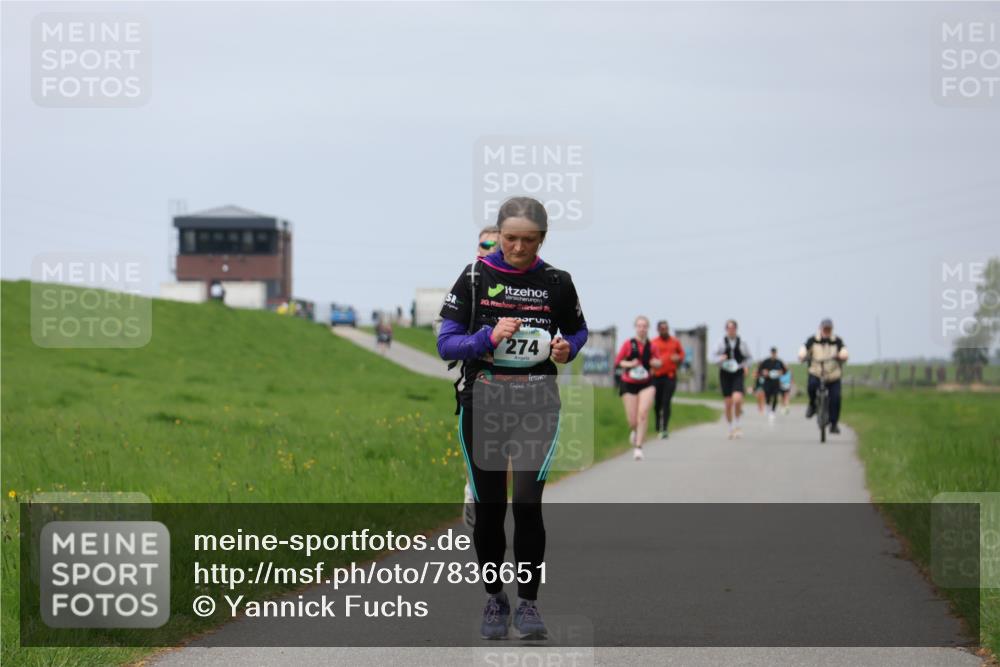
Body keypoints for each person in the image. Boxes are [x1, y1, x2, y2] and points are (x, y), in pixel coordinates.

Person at [437, 197, 588, 640]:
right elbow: (446, 345)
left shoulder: (557, 282)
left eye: (529, 240)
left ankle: (528, 604)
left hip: (537, 403)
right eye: (510, 239)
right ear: (498, 236)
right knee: (489, 509)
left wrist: (567, 348)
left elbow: (577, 330)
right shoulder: (475, 277)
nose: (519, 248)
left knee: (526, 503)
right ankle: (493, 597)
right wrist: (487, 335)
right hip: (483, 402)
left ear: (542, 239)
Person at [437, 225, 501, 532]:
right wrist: (483, 341)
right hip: (476, 380)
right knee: (478, 455)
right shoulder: (472, 281)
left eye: (491, 243)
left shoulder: (524, 285)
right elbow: (448, 342)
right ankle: (473, 491)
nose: (483, 247)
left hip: (518, 386)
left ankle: (489, 504)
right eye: (481, 243)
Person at [614, 317, 656, 460]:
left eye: (644, 326)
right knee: (632, 419)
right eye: (639, 326)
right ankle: (634, 430)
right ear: (635, 328)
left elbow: (659, 361)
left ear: (648, 328)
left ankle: (638, 448)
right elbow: (618, 362)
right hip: (629, 382)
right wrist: (630, 364)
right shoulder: (628, 344)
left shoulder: (652, 346)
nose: (642, 328)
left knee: (643, 413)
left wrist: (655, 362)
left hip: (647, 383)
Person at [798, 318, 849, 434]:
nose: (827, 331)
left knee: (835, 398)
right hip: (816, 371)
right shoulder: (813, 340)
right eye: (825, 328)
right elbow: (804, 348)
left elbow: (844, 350)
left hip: (833, 374)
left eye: (829, 329)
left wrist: (842, 355)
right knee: (811, 386)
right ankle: (812, 405)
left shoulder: (837, 341)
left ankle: (834, 423)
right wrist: (802, 355)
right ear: (821, 328)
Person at [714, 319, 752, 439]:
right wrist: (721, 358)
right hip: (725, 373)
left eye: (733, 328)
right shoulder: (720, 342)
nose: (731, 330)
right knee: (728, 403)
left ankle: (738, 424)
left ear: (736, 329)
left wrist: (745, 366)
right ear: (726, 329)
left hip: (737, 372)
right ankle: (730, 428)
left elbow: (749, 358)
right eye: (729, 328)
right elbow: (713, 357)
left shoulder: (742, 342)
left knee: (737, 399)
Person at [650, 320, 685, 439]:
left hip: (670, 376)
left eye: (666, 328)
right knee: (657, 403)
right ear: (658, 330)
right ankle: (657, 423)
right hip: (656, 376)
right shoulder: (653, 342)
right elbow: (647, 356)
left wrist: (678, 358)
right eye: (662, 328)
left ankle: (664, 428)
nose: (664, 330)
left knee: (666, 402)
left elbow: (682, 355)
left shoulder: (675, 342)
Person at [757, 347, 788, 422]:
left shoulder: (779, 362)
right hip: (767, 382)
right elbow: (759, 371)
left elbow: (785, 370)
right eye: (772, 353)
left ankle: (773, 411)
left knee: (775, 397)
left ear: (776, 353)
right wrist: (764, 373)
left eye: (775, 353)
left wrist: (781, 372)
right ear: (771, 353)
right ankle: (768, 407)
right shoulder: (766, 361)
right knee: (767, 396)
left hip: (776, 382)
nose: (773, 354)